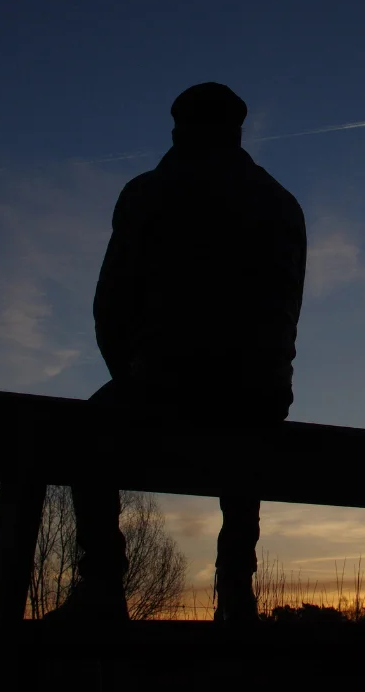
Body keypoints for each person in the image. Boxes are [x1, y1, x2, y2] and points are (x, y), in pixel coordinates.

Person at [45, 82, 307, 624]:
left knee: (85, 428)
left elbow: (110, 304)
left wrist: (138, 373)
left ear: (180, 129)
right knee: (247, 431)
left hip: (172, 379)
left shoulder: (151, 192)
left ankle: (101, 582)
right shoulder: (282, 205)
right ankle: (236, 591)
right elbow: (285, 314)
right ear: (236, 131)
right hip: (260, 394)